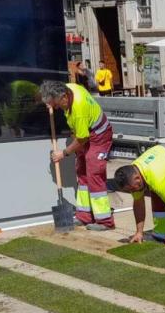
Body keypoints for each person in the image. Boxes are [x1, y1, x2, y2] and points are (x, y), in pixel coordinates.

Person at [40, 80, 115, 231]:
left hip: (98, 135)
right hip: (85, 133)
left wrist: (64, 153)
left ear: (63, 98)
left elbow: (82, 139)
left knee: (94, 173)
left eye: (55, 104)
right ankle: (84, 216)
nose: (55, 108)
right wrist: (49, 102)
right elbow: (81, 136)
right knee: (82, 172)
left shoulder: (78, 108)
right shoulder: (68, 88)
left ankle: (105, 221)